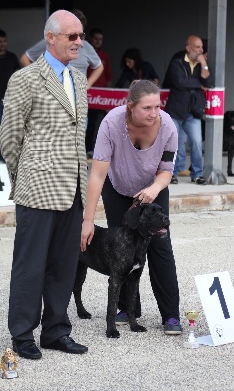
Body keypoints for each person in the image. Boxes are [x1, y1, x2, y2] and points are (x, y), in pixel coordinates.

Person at [0, 9, 89, 360]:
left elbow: (78, 136)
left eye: (80, 36)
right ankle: (22, 333)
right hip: (37, 188)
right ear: (50, 37)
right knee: (30, 265)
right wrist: (28, 174)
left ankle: (55, 330)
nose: (79, 42)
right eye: (73, 36)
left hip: (73, 189)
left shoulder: (79, 79)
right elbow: (10, 137)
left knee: (63, 265)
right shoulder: (25, 79)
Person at [80, 79, 182, 336]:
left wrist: (153, 190)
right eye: (147, 108)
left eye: (157, 107)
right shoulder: (111, 124)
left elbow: (166, 172)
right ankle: (126, 309)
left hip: (153, 188)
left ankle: (170, 315)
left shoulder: (168, 126)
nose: (154, 113)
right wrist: (88, 220)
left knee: (160, 247)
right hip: (117, 188)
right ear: (130, 107)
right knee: (121, 249)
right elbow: (97, 175)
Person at [163, 35, 213, 185]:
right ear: (189, 48)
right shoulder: (177, 62)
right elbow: (179, 82)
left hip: (193, 111)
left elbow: (208, 83)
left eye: (201, 48)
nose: (201, 50)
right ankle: (171, 173)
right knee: (173, 143)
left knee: (197, 142)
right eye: (198, 47)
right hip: (176, 110)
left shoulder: (200, 65)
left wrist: (204, 65)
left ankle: (197, 174)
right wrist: (198, 84)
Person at [19, 9, 104, 87]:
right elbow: (24, 59)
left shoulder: (86, 46)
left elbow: (99, 67)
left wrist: (87, 85)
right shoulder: (52, 41)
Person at [86, 27, 112, 157]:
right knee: (88, 122)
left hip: (100, 97)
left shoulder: (104, 56)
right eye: (95, 39)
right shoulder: (82, 52)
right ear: (90, 38)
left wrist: (108, 96)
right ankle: (88, 148)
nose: (98, 41)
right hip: (86, 94)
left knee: (103, 122)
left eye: (100, 39)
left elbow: (108, 77)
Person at [0, 29, 20, 162]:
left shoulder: (12, 57)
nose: (2, 44)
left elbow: (18, 77)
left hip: (7, 99)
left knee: (6, 131)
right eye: (0, 42)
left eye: (4, 41)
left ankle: (4, 158)